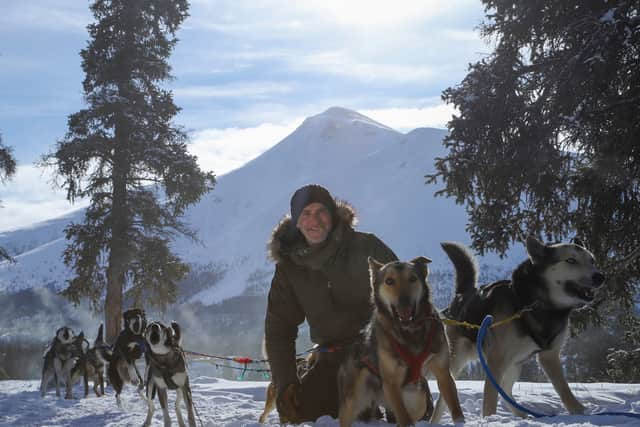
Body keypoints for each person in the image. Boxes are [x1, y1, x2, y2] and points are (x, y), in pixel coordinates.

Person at [264, 184, 397, 423]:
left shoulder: (366, 247)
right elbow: (279, 330)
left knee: (414, 416)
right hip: (333, 359)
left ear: (333, 215)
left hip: (383, 352)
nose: (314, 220)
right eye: (305, 213)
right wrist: (286, 383)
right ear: (296, 221)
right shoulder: (289, 268)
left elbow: (403, 297)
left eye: (321, 211)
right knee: (305, 413)